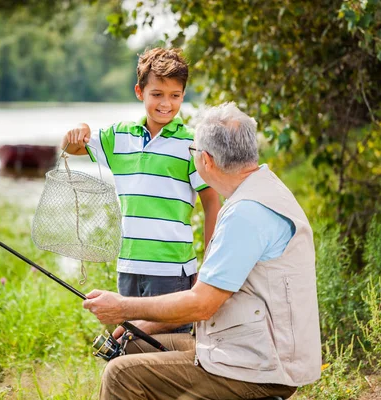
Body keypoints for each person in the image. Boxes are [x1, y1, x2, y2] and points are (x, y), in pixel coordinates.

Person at [83, 102, 322, 399]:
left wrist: (123, 307)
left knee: (121, 375)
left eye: (193, 152)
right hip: (245, 349)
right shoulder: (262, 190)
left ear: (206, 160)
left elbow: (203, 305)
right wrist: (140, 325)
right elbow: (216, 297)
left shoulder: (246, 214)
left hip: (259, 366)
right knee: (132, 343)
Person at [62, 48, 221, 334]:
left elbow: (212, 203)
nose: (166, 104)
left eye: (175, 95)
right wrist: (80, 127)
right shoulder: (119, 136)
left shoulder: (192, 144)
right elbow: (72, 147)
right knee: (131, 346)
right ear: (140, 91)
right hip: (129, 265)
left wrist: (208, 266)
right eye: (157, 94)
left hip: (172, 269)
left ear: (183, 95)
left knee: (168, 349)